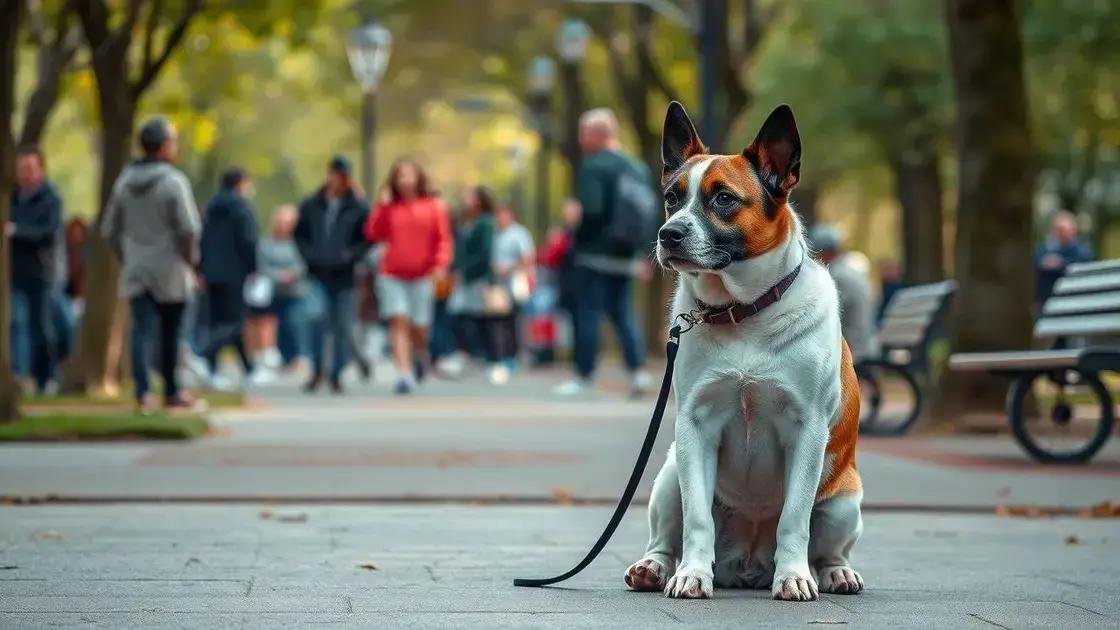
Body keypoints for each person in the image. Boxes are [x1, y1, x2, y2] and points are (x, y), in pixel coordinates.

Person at [102, 116, 202, 412]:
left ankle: (143, 393)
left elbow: (109, 230)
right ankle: (172, 391)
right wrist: (191, 262)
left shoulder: (123, 183)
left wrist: (128, 256)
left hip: (137, 268)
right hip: (171, 269)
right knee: (172, 332)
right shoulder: (174, 182)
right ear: (163, 147)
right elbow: (188, 229)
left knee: (142, 331)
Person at [553, 108, 652, 398]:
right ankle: (638, 372)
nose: (581, 140)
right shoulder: (637, 168)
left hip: (594, 254)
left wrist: (575, 225)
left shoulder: (593, 166)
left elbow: (592, 211)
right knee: (624, 314)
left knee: (588, 313)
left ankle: (584, 376)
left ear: (598, 134)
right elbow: (646, 213)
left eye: (584, 133)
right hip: (626, 255)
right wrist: (644, 253)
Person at [364, 159, 452, 394]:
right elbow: (373, 233)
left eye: (409, 175)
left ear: (418, 177)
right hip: (391, 273)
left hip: (423, 273)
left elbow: (443, 238)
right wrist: (381, 207)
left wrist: (440, 264)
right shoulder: (390, 207)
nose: (404, 180)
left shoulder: (433, 205)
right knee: (398, 319)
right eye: (400, 175)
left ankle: (420, 353)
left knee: (419, 326)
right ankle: (403, 373)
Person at [294, 156, 369, 394]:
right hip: (317, 272)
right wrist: (309, 255)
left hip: (344, 275)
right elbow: (300, 234)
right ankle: (317, 369)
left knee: (342, 326)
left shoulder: (357, 207)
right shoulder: (312, 205)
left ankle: (336, 372)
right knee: (316, 320)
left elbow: (367, 239)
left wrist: (351, 255)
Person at [198, 167, 260, 389]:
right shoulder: (241, 208)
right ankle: (205, 354)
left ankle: (240, 369)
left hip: (211, 272)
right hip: (235, 272)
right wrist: (253, 268)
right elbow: (248, 240)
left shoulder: (210, 208)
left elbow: (202, 240)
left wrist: (200, 269)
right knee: (234, 322)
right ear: (239, 184)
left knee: (218, 321)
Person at [8, 146, 62, 394]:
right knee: (16, 323)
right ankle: (18, 376)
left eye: (30, 168)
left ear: (41, 170)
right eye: (22, 169)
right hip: (14, 273)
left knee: (42, 327)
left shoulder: (51, 198)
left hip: (41, 273)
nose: (26, 174)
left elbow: (47, 233)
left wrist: (17, 231)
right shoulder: (12, 197)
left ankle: (46, 378)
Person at [808, 224, 879, 362]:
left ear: (826, 252)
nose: (812, 258)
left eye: (815, 253)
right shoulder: (848, 270)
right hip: (864, 343)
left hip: (856, 349)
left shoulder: (837, 276)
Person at [251, 205, 307, 374]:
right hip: (273, 292)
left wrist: (292, 274)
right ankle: (278, 357)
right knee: (275, 325)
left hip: (294, 291)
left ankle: (296, 356)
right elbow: (263, 266)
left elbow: (302, 264)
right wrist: (279, 276)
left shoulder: (299, 243)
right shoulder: (266, 244)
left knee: (294, 323)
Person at [447, 186, 496, 374]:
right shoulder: (467, 222)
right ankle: (468, 353)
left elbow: (484, 252)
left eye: (469, 196)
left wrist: (465, 271)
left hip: (478, 278)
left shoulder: (485, 223)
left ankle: (480, 355)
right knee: (460, 314)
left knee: (476, 316)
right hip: (464, 278)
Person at [488, 204, 535, 383]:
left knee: (513, 321)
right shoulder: (495, 234)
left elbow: (528, 258)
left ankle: (512, 357)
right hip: (498, 286)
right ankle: (498, 357)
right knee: (497, 321)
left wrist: (509, 268)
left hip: (515, 284)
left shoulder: (519, 234)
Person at [1034, 211, 1093, 309]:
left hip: (1072, 301)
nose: (1059, 233)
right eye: (1056, 229)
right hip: (1045, 301)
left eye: (1062, 229)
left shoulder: (1081, 251)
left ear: (1073, 230)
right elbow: (1035, 260)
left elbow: (1084, 263)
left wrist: (1060, 264)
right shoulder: (1045, 249)